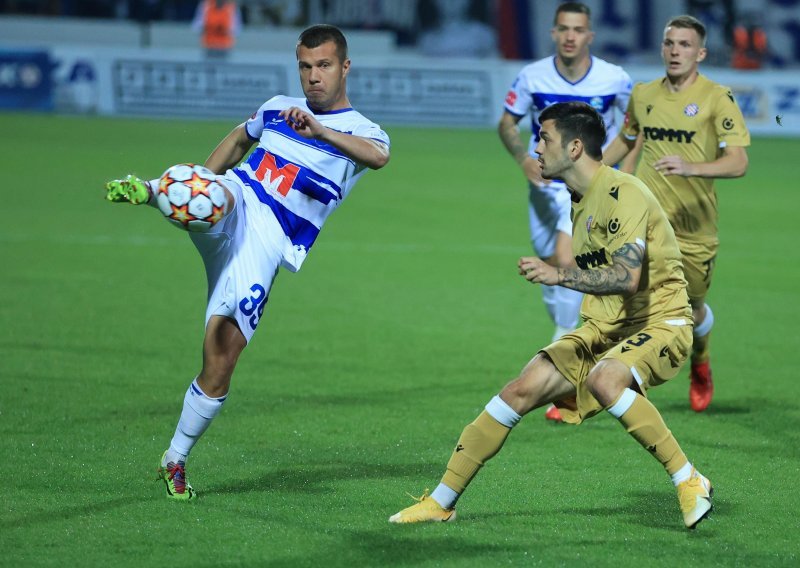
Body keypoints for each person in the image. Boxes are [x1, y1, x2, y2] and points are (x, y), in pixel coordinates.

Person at [389, 101, 713, 530]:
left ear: (575, 147)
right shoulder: (579, 198)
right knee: (520, 389)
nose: (536, 147)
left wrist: (557, 273)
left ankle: (689, 479)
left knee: (604, 379)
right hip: (606, 326)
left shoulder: (624, 192)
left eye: (544, 138)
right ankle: (441, 501)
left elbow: (627, 278)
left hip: (661, 322)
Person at [104, 24, 390, 500]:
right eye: (305, 66)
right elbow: (240, 139)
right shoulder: (278, 108)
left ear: (345, 67)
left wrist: (320, 130)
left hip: (268, 243)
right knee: (217, 198)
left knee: (222, 355)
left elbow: (378, 158)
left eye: (323, 65)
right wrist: (196, 183)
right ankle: (158, 189)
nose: (313, 76)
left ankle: (174, 458)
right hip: (241, 198)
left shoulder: (365, 131)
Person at [603, 15, 750, 412]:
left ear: (700, 53)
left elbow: (738, 162)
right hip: (646, 223)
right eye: (669, 43)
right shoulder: (644, 93)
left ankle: (700, 361)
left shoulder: (718, 97)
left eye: (684, 45)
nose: (675, 51)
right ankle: (596, 384)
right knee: (624, 299)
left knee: (693, 309)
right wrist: (593, 169)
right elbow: (627, 138)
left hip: (696, 229)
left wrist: (692, 167)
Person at [497, 2, 632, 422]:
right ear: (553, 34)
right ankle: (584, 343)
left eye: (579, 29)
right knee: (554, 269)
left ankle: (566, 372)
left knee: (564, 258)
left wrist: (618, 180)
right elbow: (506, 122)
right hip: (542, 188)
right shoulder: (533, 76)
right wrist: (522, 158)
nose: (571, 36)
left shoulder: (615, 78)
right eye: (564, 29)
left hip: (585, 188)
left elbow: (633, 127)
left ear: (590, 36)